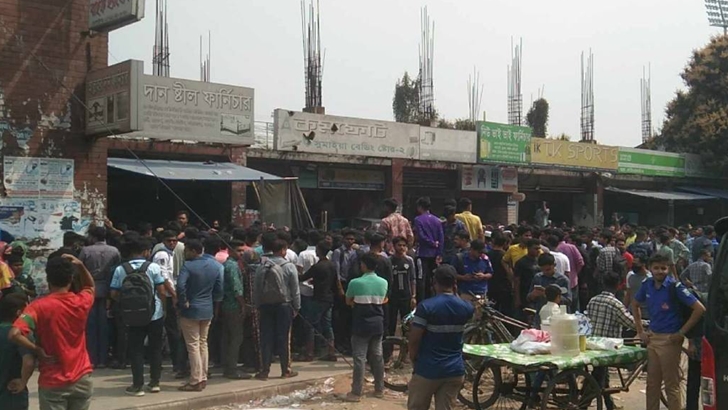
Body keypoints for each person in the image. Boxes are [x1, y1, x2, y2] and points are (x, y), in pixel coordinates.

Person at [10, 255, 95, 410]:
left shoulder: (37, 307)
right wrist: (81, 266)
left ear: (48, 279)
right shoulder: (81, 301)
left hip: (53, 380)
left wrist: (37, 349)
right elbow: (90, 286)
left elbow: (14, 333)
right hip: (82, 377)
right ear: (71, 279)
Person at [633, 254, 706, 410]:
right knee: (652, 384)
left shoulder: (675, 287)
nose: (660, 271)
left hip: (670, 340)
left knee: (671, 385)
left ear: (668, 269)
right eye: (656, 268)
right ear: (650, 269)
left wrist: (681, 332)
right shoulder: (647, 284)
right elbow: (635, 304)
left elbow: (699, 309)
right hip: (652, 338)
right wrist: (641, 331)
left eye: (663, 268)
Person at [407, 265, 474, 410]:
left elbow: (414, 339)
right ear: (454, 284)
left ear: (434, 282)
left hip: (427, 370)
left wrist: (413, 358)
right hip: (455, 370)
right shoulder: (467, 307)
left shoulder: (426, 307)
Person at [109, 235, 167, 396]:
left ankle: (137, 386)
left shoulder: (121, 269)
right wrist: (164, 308)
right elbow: (162, 291)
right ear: (145, 251)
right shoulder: (153, 267)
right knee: (155, 349)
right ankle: (155, 383)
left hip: (132, 316)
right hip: (154, 314)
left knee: (136, 350)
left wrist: (127, 303)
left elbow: (113, 293)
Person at [176, 238, 224, 391]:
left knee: (193, 345)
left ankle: (196, 379)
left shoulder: (188, 266)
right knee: (203, 344)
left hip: (191, 309)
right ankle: (203, 376)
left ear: (193, 251)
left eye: (186, 251)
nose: (185, 254)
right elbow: (219, 289)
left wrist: (183, 301)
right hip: (207, 308)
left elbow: (180, 285)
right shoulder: (216, 265)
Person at [341, 253, 389, 402]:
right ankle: (379, 389)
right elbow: (384, 299)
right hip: (378, 324)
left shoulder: (355, 283)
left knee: (359, 358)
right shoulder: (383, 282)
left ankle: (356, 392)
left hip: (360, 324)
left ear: (365, 265)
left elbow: (348, 301)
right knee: (377, 356)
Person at [587, 271, 637, 410]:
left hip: (592, 344)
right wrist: (647, 323)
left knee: (601, 374)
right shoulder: (615, 304)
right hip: (607, 347)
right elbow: (630, 323)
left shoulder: (593, 300)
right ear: (619, 285)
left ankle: (609, 405)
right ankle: (583, 404)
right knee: (598, 377)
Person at [253, 236, 301, 380]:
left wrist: (257, 305)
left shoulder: (262, 266)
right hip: (284, 305)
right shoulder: (289, 266)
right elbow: (295, 289)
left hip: (265, 306)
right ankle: (285, 370)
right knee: (284, 338)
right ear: (282, 250)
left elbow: (256, 288)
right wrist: (297, 307)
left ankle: (264, 371)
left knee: (266, 338)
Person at [78, 226, 121, 368]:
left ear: (93, 237)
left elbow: (78, 269)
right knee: (104, 325)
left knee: (90, 326)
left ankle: (92, 359)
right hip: (108, 289)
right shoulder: (114, 251)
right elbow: (117, 270)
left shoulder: (86, 251)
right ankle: (103, 359)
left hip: (88, 289)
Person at [299, 241, 341, 362]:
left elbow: (302, 278)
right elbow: (333, 281)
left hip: (318, 298)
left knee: (310, 324)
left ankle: (309, 352)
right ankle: (331, 352)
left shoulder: (317, 266)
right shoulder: (332, 265)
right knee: (327, 325)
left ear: (319, 250)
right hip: (329, 298)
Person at [151, 230, 183, 373]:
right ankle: (175, 361)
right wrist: (174, 294)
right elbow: (163, 276)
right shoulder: (162, 254)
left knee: (172, 330)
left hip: (169, 295)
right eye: (169, 240)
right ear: (163, 241)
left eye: (174, 240)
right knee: (171, 330)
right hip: (165, 296)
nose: (172, 243)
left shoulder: (171, 253)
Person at [220, 241, 250, 379]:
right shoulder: (232, 266)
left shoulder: (227, 264)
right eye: (238, 250)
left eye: (243, 251)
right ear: (230, 250)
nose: (241, 253)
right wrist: (243, 305)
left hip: (225, 305)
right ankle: (232, 369)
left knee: (228, 337)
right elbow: (237, 289)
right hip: (233, 305)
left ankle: (228, 366)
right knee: (236, 337)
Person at [0, 293, 33, 410]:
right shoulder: (19, 334)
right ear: (19, 313)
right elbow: (28, 362)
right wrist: (23, 381)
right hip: (12, 397)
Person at [386, 236, 417, 360]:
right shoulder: (389, 261)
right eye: (399, 245)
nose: (402, 248)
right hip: (392, 297)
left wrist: (414, 296)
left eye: (404, 245)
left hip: (406, 297)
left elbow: (412, 279)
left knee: (406, 325)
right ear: (394, 246)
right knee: (391, 325)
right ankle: (388, 354)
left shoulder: (409, 260)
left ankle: (404, 354)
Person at [413, 197, 444, 300]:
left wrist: (431, 243)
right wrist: (439, 252)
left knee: (421, 278)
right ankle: (433, 298)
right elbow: (441, 238)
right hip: (434, 254)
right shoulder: (437, 220)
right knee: (433, 278)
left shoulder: (418, 220)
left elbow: (421, 236)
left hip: (422, 254)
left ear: (419, 207)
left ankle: (421, 301)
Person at [527, 253, 571, 322]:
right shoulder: (537, 278)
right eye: (543, 270)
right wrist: (533, 295)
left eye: (548, 269)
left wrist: (551, 295)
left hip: (557, 317)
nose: (546, 272)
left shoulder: (562, 280)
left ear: (554, 265)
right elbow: (529, 298)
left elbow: (568, 300)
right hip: (540, 316)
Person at [453, 240, 493, 307]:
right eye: (479, 252)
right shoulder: (460, 258)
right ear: (472, 249)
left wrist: (483, 276)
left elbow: (490, 273)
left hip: (481, 293)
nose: (481, 254)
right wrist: (463, 277)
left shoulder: (485, 259)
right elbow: (452, 274)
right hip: (465, 292)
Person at [555, 230, 584, 313]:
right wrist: (575, 273)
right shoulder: (571, 247)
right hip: (573, 281)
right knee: (574, 307)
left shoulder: (555, 250)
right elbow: (580, 262)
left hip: (559, 284)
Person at [487, 234, 514, 316]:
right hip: (503, 286)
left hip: (490, 285)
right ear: (505, 243)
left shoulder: (487, 254)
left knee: (490, 309)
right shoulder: (505, 256)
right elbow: (509, 272)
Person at [513, 239, 541, 313]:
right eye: (535, 249)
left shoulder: (540, 261)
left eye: (539, 248)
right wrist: (517, 298)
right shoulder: (521, 262)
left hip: (538, 295)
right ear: (528, 248)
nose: (538, 251)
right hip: (525, 294)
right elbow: (517, 281)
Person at [625, 255, 651, 320]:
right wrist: (624, 309)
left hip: (646, 314)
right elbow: (628, 294)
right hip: (632, 313)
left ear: (643, 264)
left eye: (635, 264)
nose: (633, 266)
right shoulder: (630, 275)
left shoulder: (650, 278)